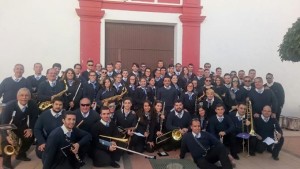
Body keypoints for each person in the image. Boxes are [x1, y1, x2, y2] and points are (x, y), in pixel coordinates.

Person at [1, 88, 39, 169]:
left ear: (30, 97)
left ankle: (21, 154)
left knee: (30, 136)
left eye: (26, 95)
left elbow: (34, 118)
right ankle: (6, 163)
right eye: (22, 95)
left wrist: (31, 129)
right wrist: (7, 136)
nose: (24, 97)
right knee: (6, 142)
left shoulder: (33, 104)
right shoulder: (9, 106)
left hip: (22, 126)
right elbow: (3, 123)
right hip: (7, 126)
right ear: (17, 97)